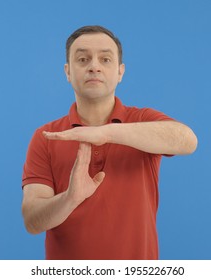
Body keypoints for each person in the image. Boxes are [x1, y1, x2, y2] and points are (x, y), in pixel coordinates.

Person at [21, 25, 197, 260]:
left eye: (105, 59)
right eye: (83, 59)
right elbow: (33, 221)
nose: (94, 66)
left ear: (120, 71)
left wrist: (107, 133)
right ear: (68, 72)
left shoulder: (142, 121)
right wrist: (70, 198)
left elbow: (187, 140)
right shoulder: (47, 136)